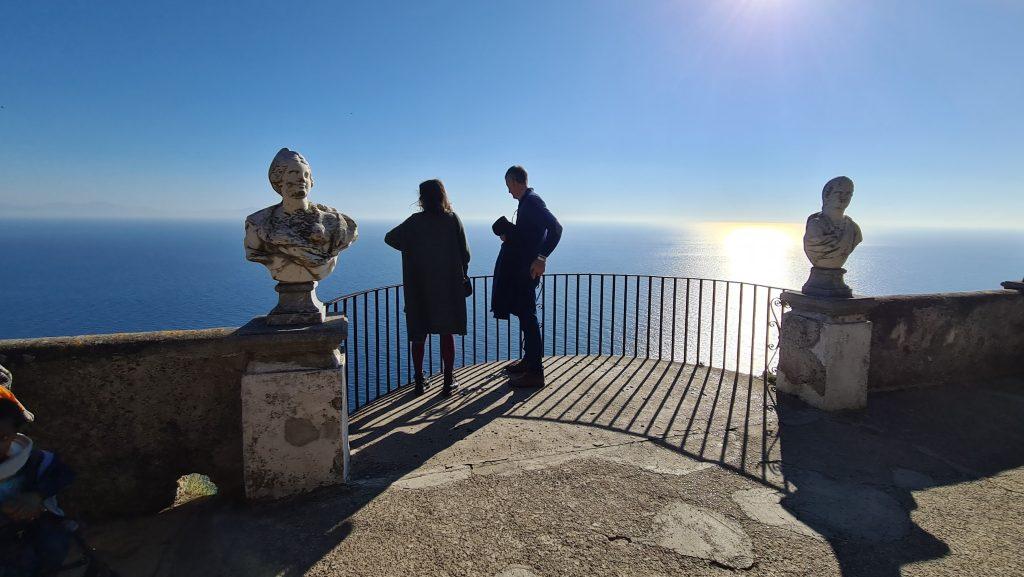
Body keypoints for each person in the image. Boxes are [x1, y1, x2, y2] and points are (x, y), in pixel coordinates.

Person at [385, 179, 471, 396]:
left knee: (419, 335)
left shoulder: (414, 222)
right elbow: (465, 254)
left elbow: (390, 238)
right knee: (446, 334)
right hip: (447, 289)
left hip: (419, 289)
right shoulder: (452, 220)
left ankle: (419, 382)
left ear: (422, 198)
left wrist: (413, 248)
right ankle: (448, 382)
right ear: (443, 195)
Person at [491, 165, 562, 388]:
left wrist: (542, 257)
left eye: (508, 186)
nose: (508, 191)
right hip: (523, 269)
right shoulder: (527, 203)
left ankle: (535, 372)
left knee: (529, 318)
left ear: (514, 181)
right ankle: (529, 361)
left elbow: (556, 228)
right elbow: (529, 236)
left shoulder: (532, 201)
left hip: (527, 270)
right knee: (525, 316)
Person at [0, 367, 76, 576]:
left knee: (52, 544)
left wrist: (37, 496)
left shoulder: (32, 460)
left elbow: (63, 473)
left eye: (3, 438)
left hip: (34, 527)